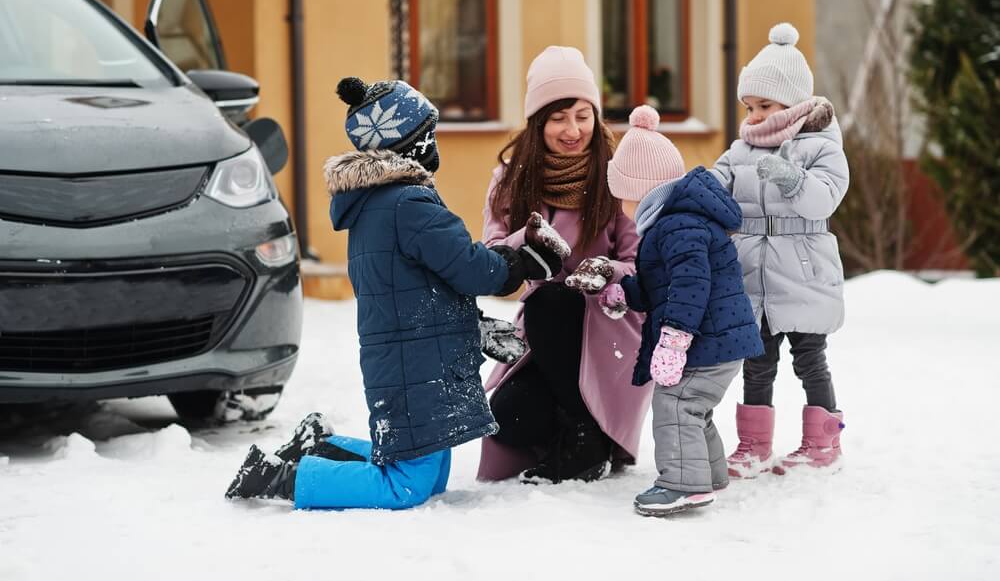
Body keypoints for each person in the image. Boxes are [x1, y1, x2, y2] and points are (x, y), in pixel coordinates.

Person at [223, 76, 566, 509]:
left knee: (431, 476)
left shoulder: (382, 202)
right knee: (406, 486)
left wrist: (470, 323)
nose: (435, 144)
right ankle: (284, 479)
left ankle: (319, 444)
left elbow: (423, 281)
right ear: (410, 144)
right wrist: (520, 265)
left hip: (415, 353)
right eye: (429, 135)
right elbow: (471, 269)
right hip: (413, 362)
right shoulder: (408, 204)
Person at [477, 45, 649, 485]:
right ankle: (586, 431)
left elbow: (641, 264)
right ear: (538, 123)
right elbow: (492, 257)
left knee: (552, 301)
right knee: (508, 415)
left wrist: (605, 272)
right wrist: (527, 241)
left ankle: (585, 444)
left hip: (609, 322)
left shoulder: (617, 174)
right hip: (546, 334)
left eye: (582, 115)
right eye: (558, 117)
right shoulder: (512, 180)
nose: (573, 129)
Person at [597, 105, 763, 516]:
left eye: (624, 198)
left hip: (704, 339)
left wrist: (674, 339)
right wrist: (626, 293)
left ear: (641, 190)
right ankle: (709, 473)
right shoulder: (675, 223)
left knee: (677, 405)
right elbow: (662, 284)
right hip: (716, 337)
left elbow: (691, 284)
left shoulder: (678, 226)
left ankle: (683, 483)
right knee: (695, 407)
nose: (623, 208)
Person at [711, 23, 850, 477]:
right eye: (749, 106)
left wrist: (790, 177)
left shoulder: (821, 147)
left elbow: (824, 198)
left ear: (792, 103)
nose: (753, 116)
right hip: (754, 273)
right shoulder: (740, 150)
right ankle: (753, 445)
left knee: (810, 359)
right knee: (757, 361)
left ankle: (822, 443)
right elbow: (717, 189)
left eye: (764, 105)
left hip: (804, 269)